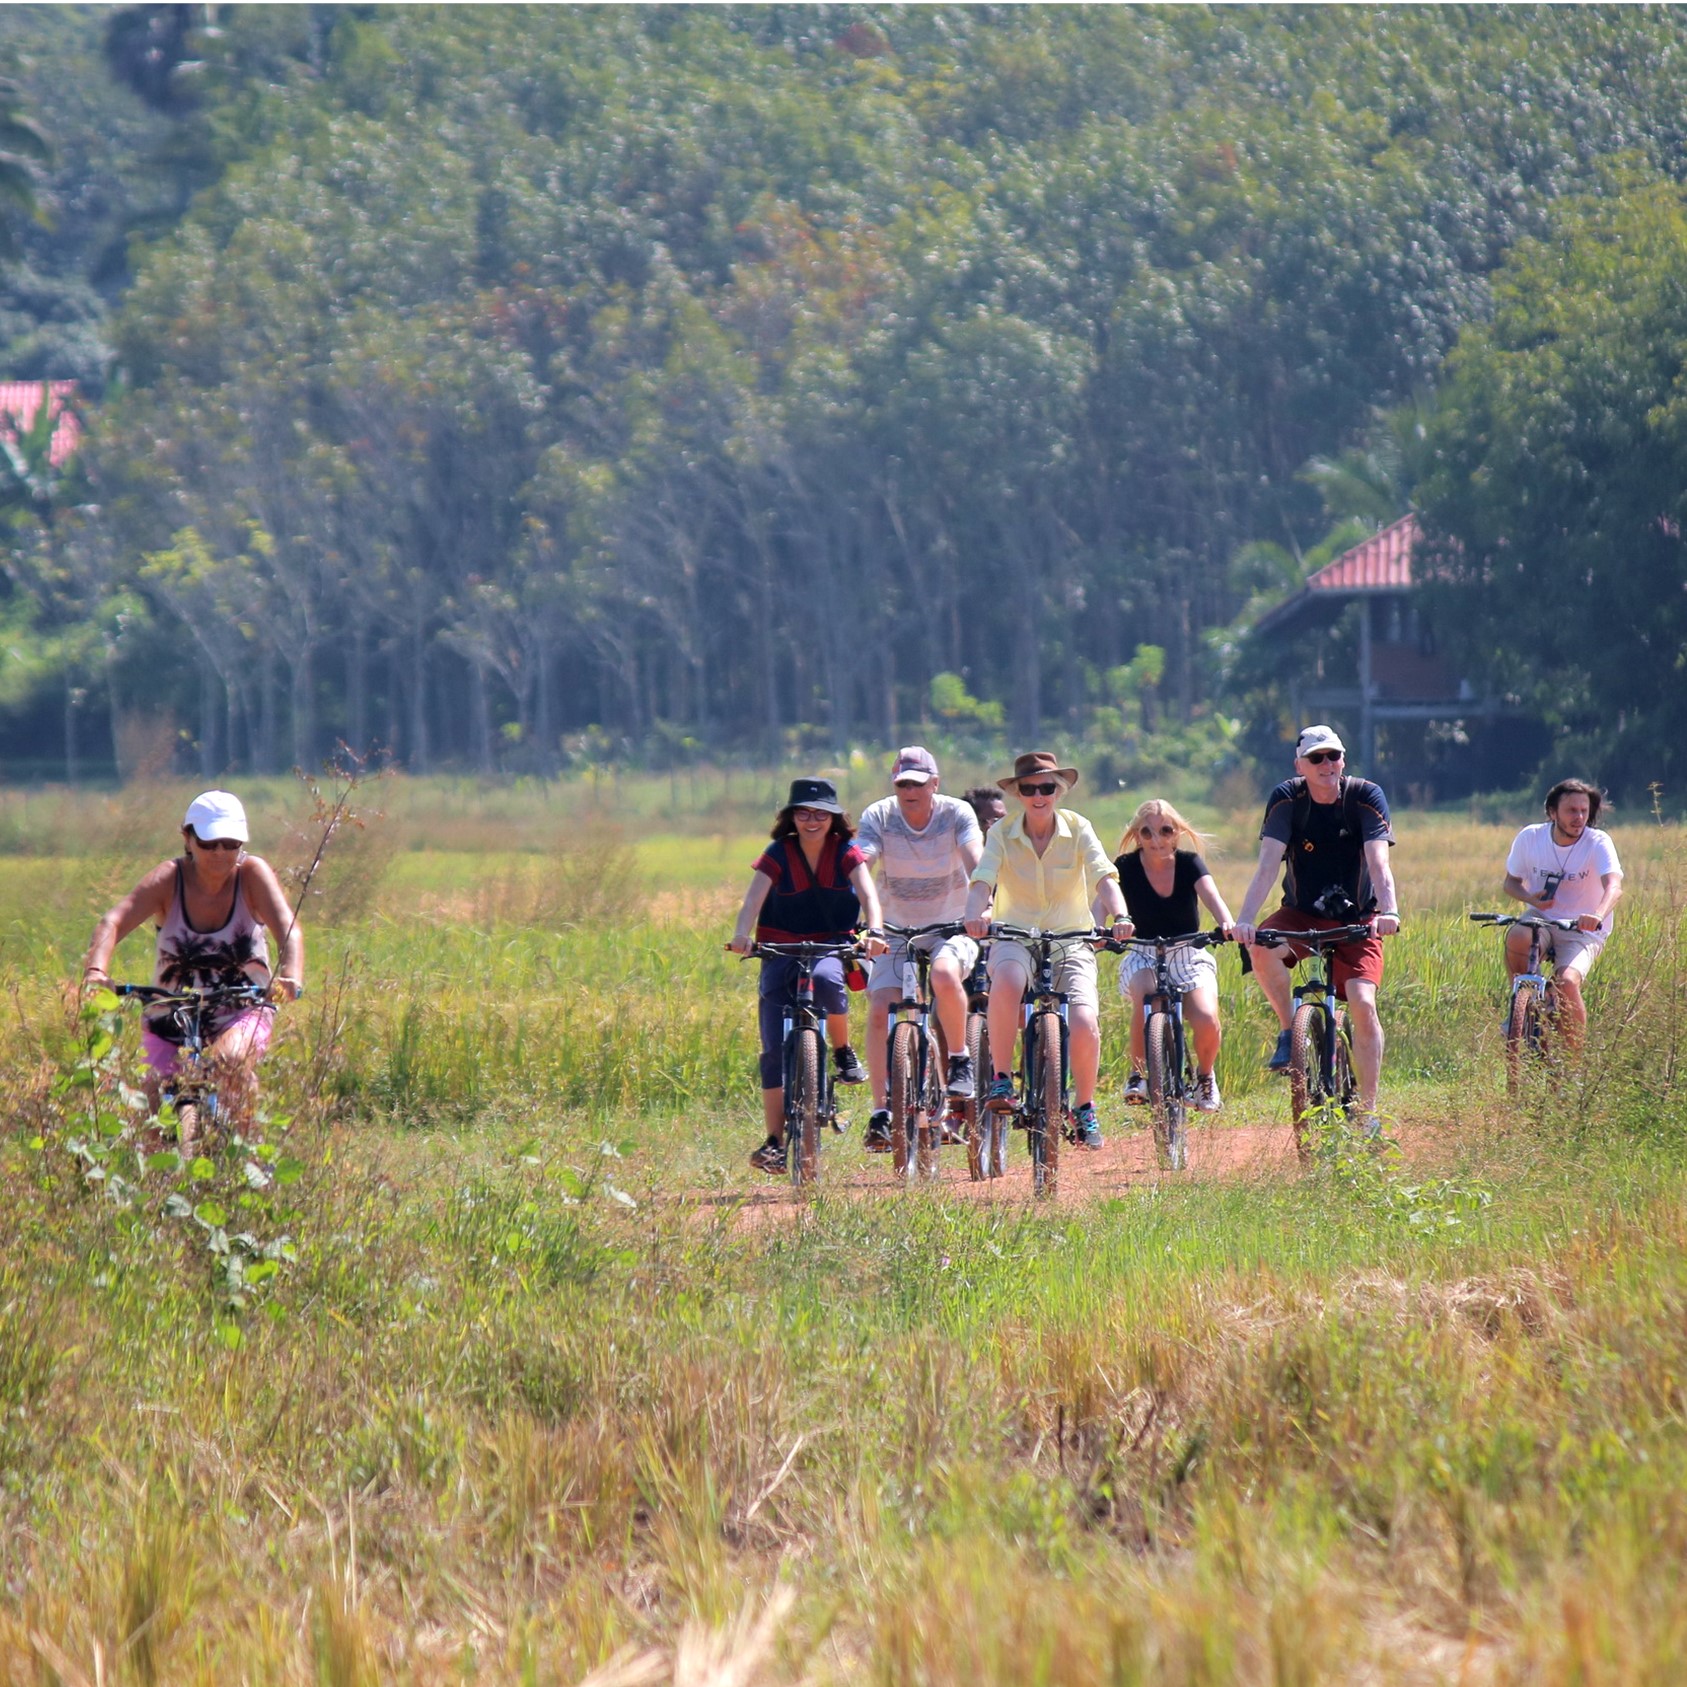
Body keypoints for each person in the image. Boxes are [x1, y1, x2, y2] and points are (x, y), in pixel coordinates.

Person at [81, 790, 304, 1135]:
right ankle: (162, 1182)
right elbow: (113, 921)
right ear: (187, 838)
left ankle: (249, 1162)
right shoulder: (169, 879)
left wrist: (290, 975)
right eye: (209, 842)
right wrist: (96, 972)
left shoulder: (253, 876)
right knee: (154, 1111)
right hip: (172, 1013)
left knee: (230, 1062)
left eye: (230, 843)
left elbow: (288, 930)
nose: (220, 853)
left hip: (242, 1007)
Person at [1233, 725, 1400, 1131]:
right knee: (1261, 949)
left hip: (1359, 918)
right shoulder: (1287, 798)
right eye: (1316, 758)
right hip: (1302, 913)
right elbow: (1268, 865)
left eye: (1334, 756)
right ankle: (1291, 1030)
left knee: (1362, 1002)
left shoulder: (1365, 796)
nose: (1327, 765)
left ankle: (1369, 1110)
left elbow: (1379, 863)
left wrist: (1389, 911)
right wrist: (1245, 920)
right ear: (1299, 765)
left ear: (1343, 760)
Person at [963, 751, 1131, 1149]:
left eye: (1047, 787)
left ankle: (1085, 1107)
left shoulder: (1079, 827)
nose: (1039, 795)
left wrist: (1120, 913)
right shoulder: (1001, 832)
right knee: (1004, 981)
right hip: (1015, 934)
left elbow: (1103, 874)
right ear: (1018, 793)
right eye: (1029, 788)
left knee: (1086, 1021)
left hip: (1071, 937)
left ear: (1059, 791)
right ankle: (1002, 1079)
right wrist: (975, 916)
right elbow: (983, 879)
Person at [728, 777, 886, 1176]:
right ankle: (775, 1141)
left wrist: (876, 932)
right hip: (780, 945)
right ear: (791, 817)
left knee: (831, 982)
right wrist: (741, 936)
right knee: (772, 1052)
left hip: (831, 942)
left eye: (820, 814)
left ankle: (841, 1050)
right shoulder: (778, 852)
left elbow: (868, 896)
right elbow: (753, 900)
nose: (811, 820)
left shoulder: (846, 852)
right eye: (803, 812)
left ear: (834, 819)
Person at [855, 747, 983, 1152]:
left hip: (953, 923)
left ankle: (960, 1058)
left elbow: (977, 862)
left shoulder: (956, 813)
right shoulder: (878, 815)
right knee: (880, 1009)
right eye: (902, 783)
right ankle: (880, 1112)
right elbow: (863, 861)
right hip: (892, 928)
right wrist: (853, 905)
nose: (909, 790)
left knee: (944, 975)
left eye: (917, 782)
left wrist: (985, 906)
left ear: (934, 784)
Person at [1112, 799, 1235, 1114]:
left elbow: (1212, 897)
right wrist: (1102, 932)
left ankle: (1205, 1076)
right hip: (1143, 954)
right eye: (1147, 832)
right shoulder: (1124, 867)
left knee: (1207, 1018)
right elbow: (1104, 906)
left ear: (1177, 833)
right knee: (1145, 992)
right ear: (1137, 836)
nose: (1157, 840)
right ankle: (1138, 1075)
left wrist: (1226, 923)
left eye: (1166, 831)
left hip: (1188, 954)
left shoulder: (1190, 863)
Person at [1501, 778, 1623, 1052]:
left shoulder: (1598, 842)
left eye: (1584, 811)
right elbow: (1511, 882)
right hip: (1542, 920)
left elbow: (1614, 887)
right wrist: (1530, 899)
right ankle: (1519, 1007)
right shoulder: (1530, 837)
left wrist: (1597, 914)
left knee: (1567, 981)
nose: (1579, 817)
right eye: (1571, 811)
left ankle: (1574, 1065)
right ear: (1552, 812)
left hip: (1583, 929)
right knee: (1518, 934)